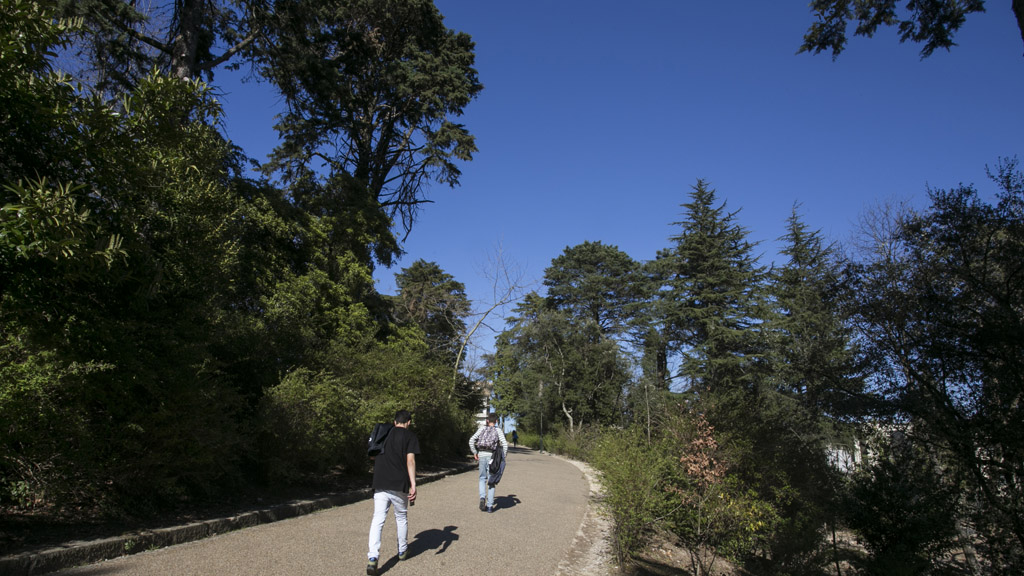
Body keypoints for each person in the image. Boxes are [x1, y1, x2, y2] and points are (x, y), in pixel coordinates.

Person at [367, 410, 420, 576]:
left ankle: (373, 557)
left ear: (394, 421)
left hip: (380, 481)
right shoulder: (410, 437)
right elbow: (410, 460)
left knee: (378, 519)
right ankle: (402, 551)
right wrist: (413, 484)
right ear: (409, 422)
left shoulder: (384, 432)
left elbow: (372, 456)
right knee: (401, 517)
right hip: (399, 483)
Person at [469, 413, 508, 513]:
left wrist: (475, 452)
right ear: (496, 421)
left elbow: (471, 440)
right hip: (493, 457)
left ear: (487, 421)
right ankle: (490, 506)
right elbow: (504, 444)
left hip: (481, 455)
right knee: (492, 480)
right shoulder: (498, 430)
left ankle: (482, 497)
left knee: (482, 478)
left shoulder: (481, 429)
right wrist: (502, 456)